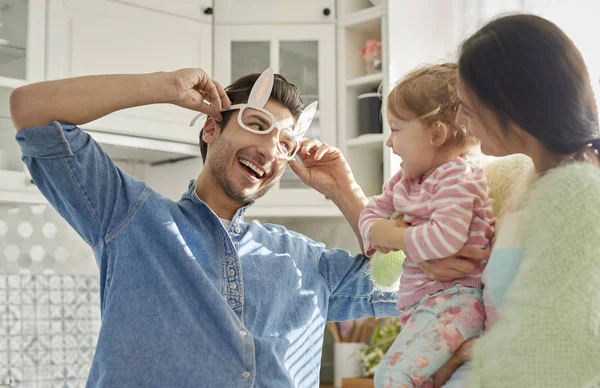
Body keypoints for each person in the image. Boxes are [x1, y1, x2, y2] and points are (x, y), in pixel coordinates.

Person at [9, 66, 487, 387]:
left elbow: (410, 280)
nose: (271, 150)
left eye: (285, 143)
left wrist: (343, 190)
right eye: (257, 126)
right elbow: (31, 110)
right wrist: (161, 88)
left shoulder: (306, 262)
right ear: (211, 128)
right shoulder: (130, 219)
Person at [432, 14, 600, 387]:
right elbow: (412, 234)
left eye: (468, 106)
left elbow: (556, 352)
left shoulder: (578, 193)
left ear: (512, 105)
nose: (460, 118)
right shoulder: (512, 177)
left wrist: (465, 353)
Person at [358, 63, 495, 388]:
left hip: (454, 301)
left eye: (396, 129)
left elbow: (444, 238)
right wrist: (379, 232)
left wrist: (393, 235)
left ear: (436, 133)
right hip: (425, 305)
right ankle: (456, 359)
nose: (390, 142)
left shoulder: (458, 176)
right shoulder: (406, 180)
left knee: (392, 377)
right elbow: (370, 213)